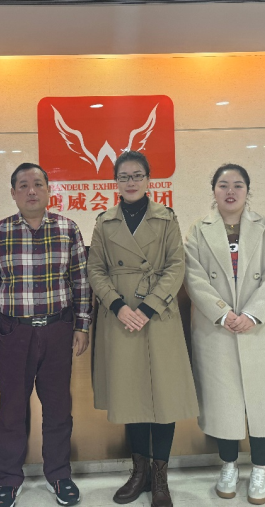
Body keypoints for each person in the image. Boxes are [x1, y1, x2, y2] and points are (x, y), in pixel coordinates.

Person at [0, 163, 91, 507]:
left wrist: (82, 325)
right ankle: (8, 480)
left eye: (38, 184)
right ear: (13, 193)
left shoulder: (68, 229)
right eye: (23, 185)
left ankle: (59, 475)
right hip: (13, 332)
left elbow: (81, 282)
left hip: (58, 330)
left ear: (49, 190)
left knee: (58, 408)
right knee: (11, 409)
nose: (31, 191)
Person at [88, 151, 198, 507]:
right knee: (130, 395)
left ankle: (160, 477)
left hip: (158, 316)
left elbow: (176, 266)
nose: (131, 182)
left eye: (137, 175)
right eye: (124, 176)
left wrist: (148, 307)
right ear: (116, 182)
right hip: (121, 317)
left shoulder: (167, 218)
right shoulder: (104, 222)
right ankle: (139, 473)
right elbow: (95, 270)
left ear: (149, 179)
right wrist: (119, 306)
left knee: (164, 396)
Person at [184, 164, 265, 504]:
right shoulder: (198, 230)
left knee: (264, 400)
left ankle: (260, 469)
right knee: (223, 402)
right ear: (214, 191)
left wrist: (251, 314)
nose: (230, 191)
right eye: (223, 185)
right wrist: (223, 312)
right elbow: (193, 276)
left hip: (260, 327)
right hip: (216, 328)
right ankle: (228, 466)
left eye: (237, 185)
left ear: (248, 190)